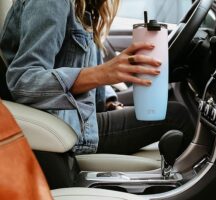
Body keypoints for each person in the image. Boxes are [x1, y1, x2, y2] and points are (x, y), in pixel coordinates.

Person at [0, 0, 195, 155]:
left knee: (168, 102)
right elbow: (22, 80)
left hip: (80, 116)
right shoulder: (51, 2)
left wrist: (109, 101)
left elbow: (81, 64)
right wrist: (102, 73)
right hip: (66, 128)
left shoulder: (81, 5)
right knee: (177, 116)